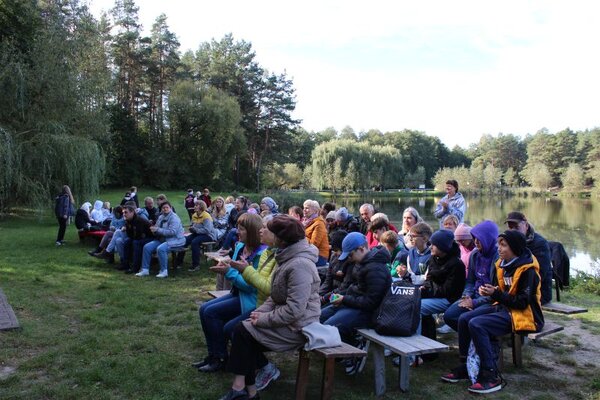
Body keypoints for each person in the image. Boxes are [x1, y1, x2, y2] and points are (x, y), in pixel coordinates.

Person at [218, 215, 320, 400]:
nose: (261, 231)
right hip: (287, 320)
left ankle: (242, 390)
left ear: (279, 238)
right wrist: (261, 312)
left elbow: (295, 310)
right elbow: (275, 295)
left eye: (266, 229)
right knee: (240, 331)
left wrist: (263, 319)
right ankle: (247, 391)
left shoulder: (300, 265)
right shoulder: (285, 258)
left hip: (299, 327)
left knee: (241, 331)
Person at [441, 230, 544, 394]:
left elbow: (523, 302)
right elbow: (502, 291)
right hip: (504, 306)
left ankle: (490, 375)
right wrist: (489, 291)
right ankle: (467, 365)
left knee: (477, 324)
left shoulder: (528, 270)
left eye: (504, 245)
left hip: (525, 315)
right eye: (499, 244)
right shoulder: (502, 265)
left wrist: (495, 294)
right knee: (464, 319)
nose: (499, 249)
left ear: (515, 248)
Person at [197, 213, 266, 373]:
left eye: (241, 229)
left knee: (211, 313)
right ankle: (213, 355)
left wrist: (229, 271)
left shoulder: (261, 254)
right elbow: (235, 270)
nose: (237, 232)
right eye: (237, 228)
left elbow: (251, 287)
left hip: (250, 299)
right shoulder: (240, 247)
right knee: (203, 309)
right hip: (237, 293)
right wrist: (226, 263)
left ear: (251, 231)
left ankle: (221, 358)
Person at [321, 232, 391, 376]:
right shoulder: (361, 262)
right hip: (353, 304)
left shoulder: (375, 269)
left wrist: (344, 299)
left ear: (361, 249)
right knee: (319, 318)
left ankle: (353, 351)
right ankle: (346, 349)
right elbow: (350, 286)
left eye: (350, 255)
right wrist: (333, 297)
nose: (349, 259)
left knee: (330, 326)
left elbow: (371, 303)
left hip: (368, 313)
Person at [443, 220, 499, 331]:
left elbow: (498, 290)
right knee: (449, 316)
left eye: (480, 239)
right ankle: (472, 338)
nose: (476, 242)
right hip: (474, 295)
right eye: (474, 238)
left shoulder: (498, 258)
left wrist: (474, 303)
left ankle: (481, 340)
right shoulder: (475, 254)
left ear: (488, 238)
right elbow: (470, 281)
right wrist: (467, 296)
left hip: (490, 301)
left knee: (466, 318)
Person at [418, 230, 466, 337]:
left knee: (418, 306)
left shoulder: (456, 264)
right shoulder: (433, 258)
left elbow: (449, 290)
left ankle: (416, 347)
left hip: (450, 299)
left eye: (434, 245)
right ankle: (426, 340)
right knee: (411, 300)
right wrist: (424, 288)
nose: (430, 247)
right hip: (435, 295)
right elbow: (429, 279)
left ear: (443, 247)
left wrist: (428, 291)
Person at [505, 211, 553, 305]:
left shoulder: (540, 244)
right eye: (510, 227)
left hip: (538, 292)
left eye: (516, 227)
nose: (513, 230)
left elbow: (539, 275)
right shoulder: (509, 242)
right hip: (516, 289)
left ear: (526, 226)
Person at [136, 201, 185, 278]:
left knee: (161, 248)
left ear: (170, 208)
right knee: (147, 247)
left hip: (175, 240)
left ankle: (164, 271)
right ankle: (145, 270)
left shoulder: (174, 217)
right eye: (163, 208)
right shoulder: (161, 217)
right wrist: (154, 231)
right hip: (162, 239)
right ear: (161, 209)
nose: (165, 209)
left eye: (167, 207)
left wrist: (157, 230)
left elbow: (173, 232)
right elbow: (157, 228)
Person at [180, 201, 219, 271]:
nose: (194, 206)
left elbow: (208, 230)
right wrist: (191, 229)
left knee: (194, 242)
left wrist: (195, 230)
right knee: (184, 240)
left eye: (196, 205)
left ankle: (196, 265)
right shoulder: (194, 215)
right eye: (195, 205)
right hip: (198, 234)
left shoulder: (206, 216)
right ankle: (179, 262)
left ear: (201, 207)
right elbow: (193, 226)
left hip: (209, 235)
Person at [116, 205, 154, 274]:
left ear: (132, 212)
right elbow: (130, 234)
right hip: (138, 237)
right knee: (127, 241)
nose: (124, 214)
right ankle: (125, 264)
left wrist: (132, 236)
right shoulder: (128, 220)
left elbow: (140, 235)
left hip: (150, 238)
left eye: (126, 212)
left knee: (136, 243)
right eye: (123, 213)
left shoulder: (139, 220)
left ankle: (135, 267)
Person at [319, 230, 349, 302]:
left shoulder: (350, 261)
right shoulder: (333, 256)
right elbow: (328, 280)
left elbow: (344, 287)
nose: (336, 253)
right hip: (331, 292)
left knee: (322, 312)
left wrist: (324, 299)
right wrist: (319, 294)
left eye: (337, 250)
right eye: (334, 250)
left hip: (340, 296)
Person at [302, 199, 330, 266]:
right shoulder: (306, 222)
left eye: (307, 208)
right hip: (310, 253)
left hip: (320, 256)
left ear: (315, 211)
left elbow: (314, 245)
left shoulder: (319, 223)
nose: (304, 210)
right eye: (304, 208)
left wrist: (301, 238)